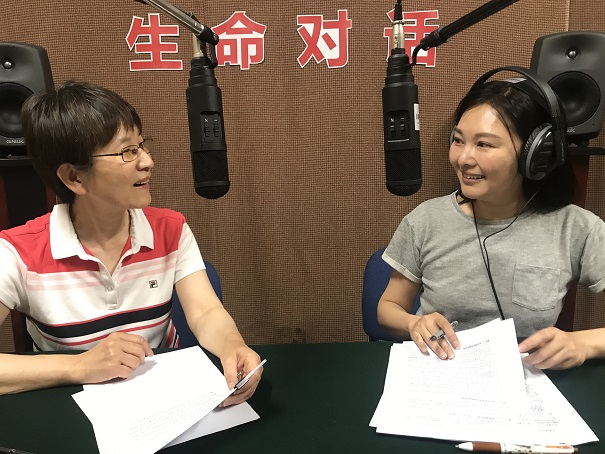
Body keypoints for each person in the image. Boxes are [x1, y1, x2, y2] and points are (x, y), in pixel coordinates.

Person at [0, 81, 262, 403]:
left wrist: (233, 345)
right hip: (71, 404)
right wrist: (79, 366)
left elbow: (205, 312)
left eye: (142, 145)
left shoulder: (170, 229)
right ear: (74, 177)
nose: (147, 161)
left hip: (162, 400)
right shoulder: (16, 252)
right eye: (127, 151)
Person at [377, 73, 605, 370]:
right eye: (458, 140)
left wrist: (583, 343)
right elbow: (388, 308)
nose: (463, 158)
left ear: (535, 153)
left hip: (528, 381)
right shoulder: (425, 221)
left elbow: (585, 343)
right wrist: (413, 323)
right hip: (440, 374)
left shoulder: (577, 229)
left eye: (484, 144)